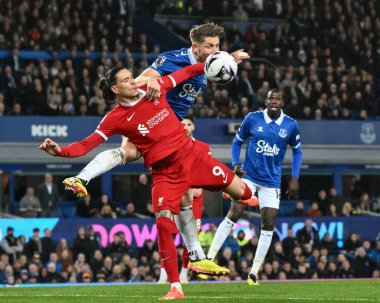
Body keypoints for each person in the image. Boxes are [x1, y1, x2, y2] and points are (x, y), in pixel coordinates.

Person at [39, 63, 258, 299]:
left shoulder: (155, 88)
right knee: (163, 223)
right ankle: (175, 286)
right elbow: (86, 144)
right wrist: (60, 150)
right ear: (115, 89)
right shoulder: (114, 119)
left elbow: (184, 73)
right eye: (126, 80)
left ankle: (231, 193)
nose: (133, 81)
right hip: (165, 173)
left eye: (132, 77)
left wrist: (207, 65)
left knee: (246, 193)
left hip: (192, 157)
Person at [61, 23, 249, 279]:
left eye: (218, 46)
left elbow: (204, 67)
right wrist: (151, 82)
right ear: (196, 47)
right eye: (210, 46)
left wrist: (230, 59)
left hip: (169, 127)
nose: (215, 50)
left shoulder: (210, 62)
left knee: (185, 196)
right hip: (150, 119)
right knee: (125, 154)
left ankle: (195, 256)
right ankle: (82, 178)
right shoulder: (173, 60)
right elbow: (138, 80)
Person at [206, 89, 302, 286]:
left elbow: (298, 152)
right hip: (248, 176)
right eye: (270, 98)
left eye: (277, 98)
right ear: (265, 101)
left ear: (282, 102)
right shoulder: (253, 118)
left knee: (268, 222)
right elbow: (236, 142)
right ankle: (208, 259)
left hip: (272, 182)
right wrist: (235, 165)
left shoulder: (291, 124)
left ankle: (254, 273)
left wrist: (295, 177)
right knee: (235, 211)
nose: (274, 101)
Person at [157, 115, 211, 284]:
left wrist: (199, 186)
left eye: (189, 124)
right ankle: (164, 274)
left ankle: (183, 274)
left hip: (194, 197)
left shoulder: (203, 147)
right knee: (167, 233)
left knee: (191, 236)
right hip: (174, 194)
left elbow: (207, 170)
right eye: (183, 124)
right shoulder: (169, 145)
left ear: (193, 127)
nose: (186, 127)